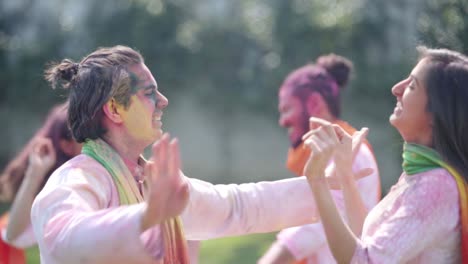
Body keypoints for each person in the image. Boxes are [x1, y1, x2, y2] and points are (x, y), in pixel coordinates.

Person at [30, 45, 368, 264]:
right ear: (115, 109)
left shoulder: (151, 182)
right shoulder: (77, 178)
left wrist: (321, 185)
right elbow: (62, 237)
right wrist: (145, 216)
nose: (164, 101)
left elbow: (238, 206)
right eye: (150, 93)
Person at [302, 46, 468, 263]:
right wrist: (345, 174)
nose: (396, 89)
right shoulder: (422, 177)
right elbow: (370, 243)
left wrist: (317, 181)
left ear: (436, 114)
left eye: (412, 86)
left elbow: (365, 260)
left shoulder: (435, 185)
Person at [258, 54, 380, 264]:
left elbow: (312, 224)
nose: (282, 121)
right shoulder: (333, 152)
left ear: (314, 104)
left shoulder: (350, 152)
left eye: (287, 109)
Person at [0, 103, 82, 264]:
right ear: (67, 145)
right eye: (85, 135)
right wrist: (35, 172)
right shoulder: (58, 188)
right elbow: (13, 235)